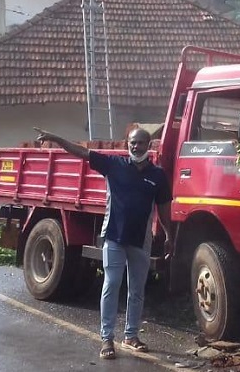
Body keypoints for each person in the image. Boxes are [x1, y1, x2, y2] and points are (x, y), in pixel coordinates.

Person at [34, 127, 172, 360]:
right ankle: (107, 339)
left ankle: (131, 336)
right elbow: (81, 152)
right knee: (112, 283)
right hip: (114, 237)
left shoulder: (157, 176)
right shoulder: (114, 165)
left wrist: (169, 235)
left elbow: (164, 208)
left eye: (140, 143)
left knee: (137, 289)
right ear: (127, 144)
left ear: (149, 145)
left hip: (141, 239)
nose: (135, 147)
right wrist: (55, 137)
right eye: (132, 143)